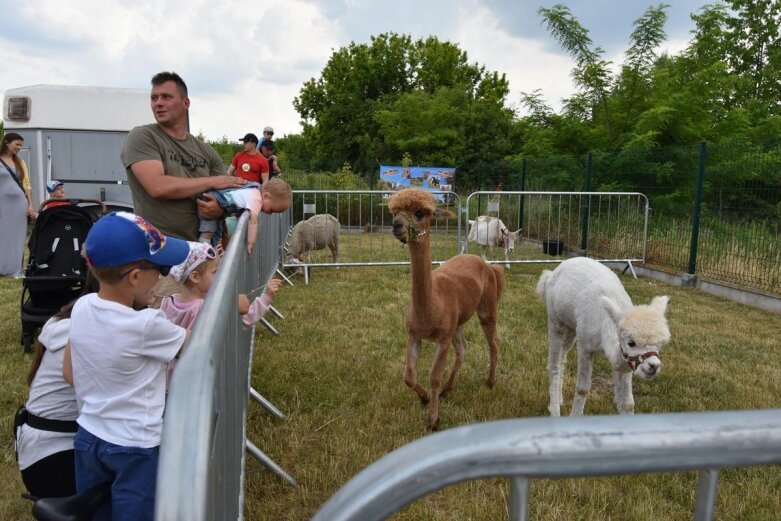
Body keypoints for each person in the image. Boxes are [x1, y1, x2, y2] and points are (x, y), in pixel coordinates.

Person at [63, 211, 190, 521]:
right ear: (135, 277)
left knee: (97, 513)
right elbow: (192, 342)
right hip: (135, 447)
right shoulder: (147, 324)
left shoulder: (81, 307)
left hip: (89, 437)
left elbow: (69, 373)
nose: (163, 276)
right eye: (161, 269)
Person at [121, 71, 246, 241]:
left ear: (185, 103)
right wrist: (211, 181)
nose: (158, 103)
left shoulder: (205, 150)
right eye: (154, 98)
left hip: (202, 251)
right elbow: (157, 187)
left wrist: (219, 208)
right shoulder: (143, 136)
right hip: (159, 248)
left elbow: (228, 193)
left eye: (166, 97)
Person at [160, 242, 282, 385]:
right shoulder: (206, 308)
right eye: (215, 272)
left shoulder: (167, 301)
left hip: (169, 380)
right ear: (195, 277)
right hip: (199, 382)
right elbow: (245, 320)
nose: (220, 276)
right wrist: (266, 297)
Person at [198, 177, 293, 256]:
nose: (270, 213)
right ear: (267, 196)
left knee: (216, 234)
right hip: (211, 201)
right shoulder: (256, 199)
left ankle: (211, 256)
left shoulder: (255, 188)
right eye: (272, 210)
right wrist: (251, 243)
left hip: (218, 203)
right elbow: (253, 221)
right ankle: (201, 256)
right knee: (208, 233)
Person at [1, 132, 37, 276]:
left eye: (21, 145)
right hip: (2, 204)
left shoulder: (20, 163)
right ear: (7, 143)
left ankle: (14, 270)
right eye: (17, 144)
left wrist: (30, 205)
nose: (19, 147)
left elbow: (27, 184)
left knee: (17, 238)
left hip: (19, 205)